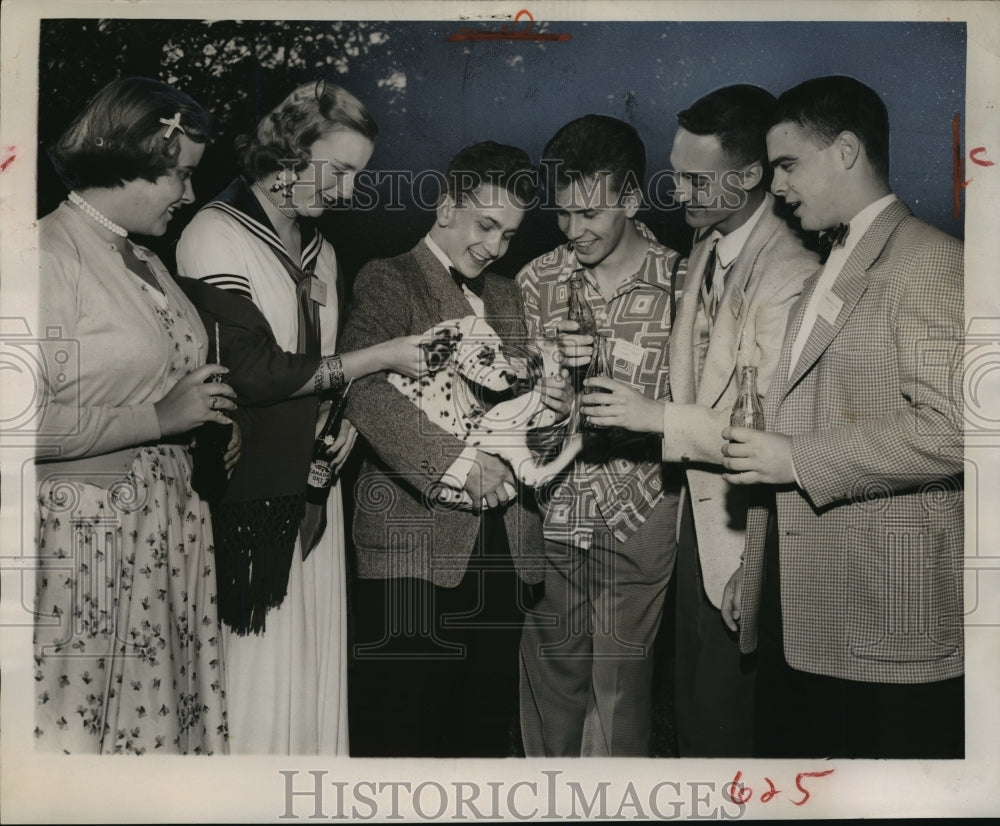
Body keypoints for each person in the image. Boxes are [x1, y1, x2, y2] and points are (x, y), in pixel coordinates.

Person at [175, 81, 424, 755]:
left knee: (312, 663)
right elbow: (254, 374)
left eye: (357, 176)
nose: (347, 192)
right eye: (339, 171)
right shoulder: (214, 233)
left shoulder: (323, 250)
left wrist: (340, 420)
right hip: (246, 490)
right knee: (255, 672)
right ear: (289, 151)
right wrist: (385, 357)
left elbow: (323, 365)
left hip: (314, 491)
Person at [720, 75, 964, 759]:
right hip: (805, 612)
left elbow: (955, 430)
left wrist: (795, 460)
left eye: (788, 164)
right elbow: (793, 419)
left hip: (887, 621)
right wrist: (759, 571)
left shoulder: (931, 263)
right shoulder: (829, 265)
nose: (776, 187)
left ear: (848, 151)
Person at [580, 86, 818, 756]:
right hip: (699, 528)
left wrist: (653, 416)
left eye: (692, 177)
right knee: (692, 716)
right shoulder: (707, 240)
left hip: (750, 541)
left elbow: (774, 435)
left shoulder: (791, 273)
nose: (674, 187)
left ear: (747, 178)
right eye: (675, 169)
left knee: (729, 730)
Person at [33, 76, 236, 754]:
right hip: (89, 541)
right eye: (178, 177)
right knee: (79, 739)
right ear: (125, 164)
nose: (189, 194)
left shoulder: (147, 258)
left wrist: (207, 430)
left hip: (168, 536)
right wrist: (159, 419)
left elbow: (167, 386)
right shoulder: (46, 255)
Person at [340, 141, 547, 758]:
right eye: (486, 225)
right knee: (405, 731)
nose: (493, 246)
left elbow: (520, 403)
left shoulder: (509, 296)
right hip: (412, 546)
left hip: (504, 546)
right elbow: (365, 393)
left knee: (481, 732)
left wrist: (550, 407)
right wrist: (460, 463)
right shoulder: (388, 278)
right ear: (446, 204)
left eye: (509, 235)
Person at [517, 115, 685, 757]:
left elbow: (698, 407)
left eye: (590, 213)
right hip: (554, 509)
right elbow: (523, 409)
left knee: (622, 694)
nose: (574, 230)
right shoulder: (537, 281)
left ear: (632, 200)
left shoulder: (683, 281)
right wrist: (544, 404)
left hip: (640, 510)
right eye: (562, 214)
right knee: (552, 688)